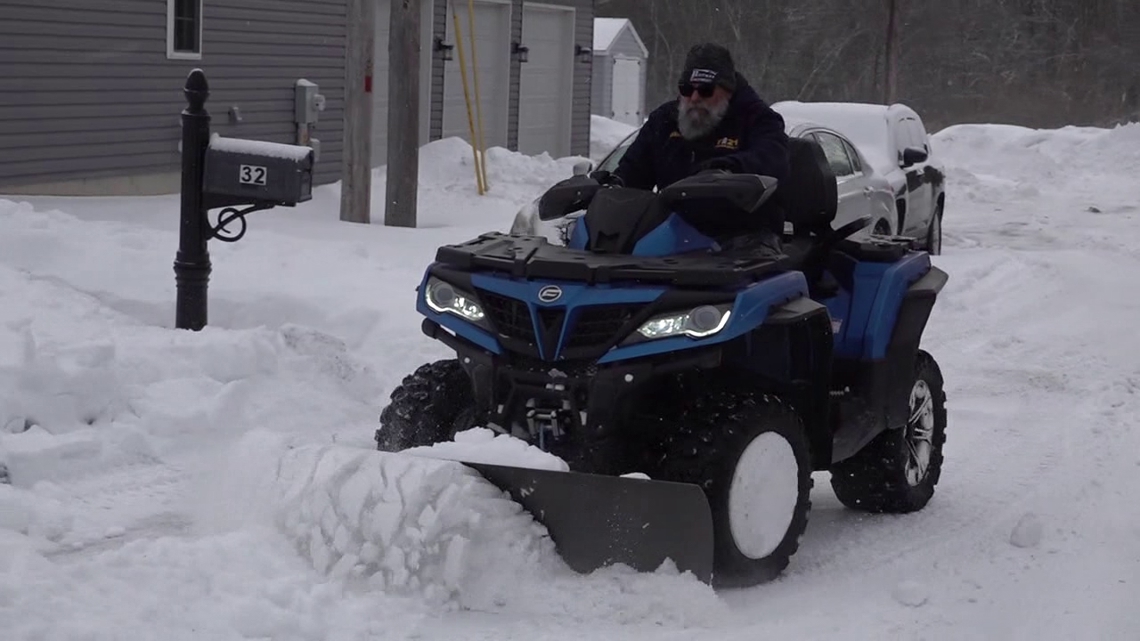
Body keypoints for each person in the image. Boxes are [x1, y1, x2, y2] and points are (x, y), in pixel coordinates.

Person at [606, 43, 790, 253]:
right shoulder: (663, 122)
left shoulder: (758, 120)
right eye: (686, 89)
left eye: (705, 90)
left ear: (728, 91)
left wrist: (729, 169)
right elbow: (634, 170)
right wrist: (613, 187)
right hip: (673, 234)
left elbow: (774, 161)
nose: (694, 98)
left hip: (744, 236)